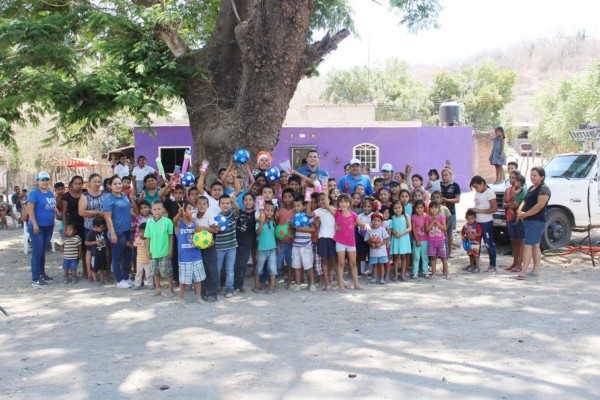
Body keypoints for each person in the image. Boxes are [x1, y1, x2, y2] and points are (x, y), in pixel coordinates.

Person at [322, 188, 370, 291]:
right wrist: (326, 194)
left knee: (353, 263)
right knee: (341, 263)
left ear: (349, 203)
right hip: (340, 242)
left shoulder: (353, 214)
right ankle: (341, 285)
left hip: (351, 242)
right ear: (338, 203)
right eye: (341, 202)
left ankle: (356, 284)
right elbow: (326, 205)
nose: (343, 204)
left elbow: (360, 224)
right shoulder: (337, 213)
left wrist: (365, 225)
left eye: (346, 202)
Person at [516, 167, 551, 280]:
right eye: (531, 175)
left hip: (536, 221)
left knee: (528, 245)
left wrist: (525, 214)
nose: (532, 177)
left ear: (542, 177)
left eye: (535, 175)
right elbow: (525, 201)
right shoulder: (531, 187)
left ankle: (523, 270)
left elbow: (539, 206)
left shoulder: (544, 189)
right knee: (535, 245)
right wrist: (519, 211)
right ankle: (536, 269)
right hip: (528, 220)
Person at [103, 175, 137, 288]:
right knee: (117, 256)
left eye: (119, 183)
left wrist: (137, 216)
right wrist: (112, 233)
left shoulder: (124, 196)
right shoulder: (109, 200)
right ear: (110, 186)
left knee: (129, 255)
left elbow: (128, 210)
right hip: (117, 232)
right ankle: (119, 280)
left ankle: (126, 277)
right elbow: (108, 218)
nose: (118, 186)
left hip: (127, 231)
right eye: (115, 184)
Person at [27, 171, 57, 286]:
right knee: (37, 252)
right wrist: (34, 224)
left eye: (46, 180)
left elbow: (51, 209)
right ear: (38, 181)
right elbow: (30, 209)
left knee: (43, 252)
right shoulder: (34, 193)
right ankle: (35, 277)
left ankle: (42, 273)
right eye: (42, 180)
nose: (45, 182)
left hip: (48, 226)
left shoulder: (50, 193)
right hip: (38, 227)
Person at [173, 202, 206, 303]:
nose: (193, 211)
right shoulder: (179, 224)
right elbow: (174, 221)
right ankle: (182, 298)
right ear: (184, 211)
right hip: (184, 258)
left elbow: (201, 237)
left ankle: (198, 297)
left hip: (196, 256)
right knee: (183, 281)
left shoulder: (195, 223)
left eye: (193, 209)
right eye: (190, 209)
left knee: (198, 279)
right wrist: (180, 213)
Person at [79, 173, 109, 282]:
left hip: (102, 228)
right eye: (94, 181)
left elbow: (109, 209)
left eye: (98, 181)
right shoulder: (85, 196)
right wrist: (98, 213)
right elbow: (81, 212)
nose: (97, 184)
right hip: (90, 228)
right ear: (89, 183)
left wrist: (101, 214)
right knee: (90, 251)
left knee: (102, 249)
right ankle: (90, 273)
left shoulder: (106, 194)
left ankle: (104, 273)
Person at [469, 175, 498, 272]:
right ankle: (475, 265)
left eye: (477, 187)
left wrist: (480, 211)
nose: (476, 189)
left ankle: (492, 264)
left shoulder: (489, 193)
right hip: (477, 222)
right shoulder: (477, 193)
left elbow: (494, 208)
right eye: (474, 188)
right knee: (475, 244)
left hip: (486, 222)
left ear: (482, 184)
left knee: (488, 243)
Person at [145, 200, 174, 296]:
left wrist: (170, 250)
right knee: (155, 272)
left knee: (167, 271)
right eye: (154, 209)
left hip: (165, 251)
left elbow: (171, 236)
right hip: (154, 252)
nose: (157, 211)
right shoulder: (149, 222)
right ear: (151, 210)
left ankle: (171, 289)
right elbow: (147, 238)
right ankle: (158, 289)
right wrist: (148, 251)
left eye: (159, 209)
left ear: (163, 210)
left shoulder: (168, 221)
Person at [309, 192, 337, 291]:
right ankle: (327, 283)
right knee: (324, 261)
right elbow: (309, 214)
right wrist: (308, 201)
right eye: (320, 200)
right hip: (323, 238)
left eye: (324, 199)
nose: (322, 201)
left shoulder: (335, 210)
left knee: (334, 261)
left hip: (333, 239)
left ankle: (340, 281)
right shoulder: (319, 211)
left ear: (329, 200)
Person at [194, 195, 219, 302]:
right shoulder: (193, 215)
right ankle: (201, 292)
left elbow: (214, 229)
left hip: (209, 246)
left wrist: (204, 228)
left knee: (211, 269)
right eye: (199, 203)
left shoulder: (209, 214)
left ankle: (212, 292)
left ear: (208, 205)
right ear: (196, 205)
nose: (202, 206)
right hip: (196, 247)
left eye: (204, 204)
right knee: (199, 269)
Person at [214, 194, 239, 298]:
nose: (225, 205)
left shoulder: (233, 215)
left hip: (232, 247)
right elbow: (213, 231)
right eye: (223, 203)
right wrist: (215, 229)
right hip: (219, 247)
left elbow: (237, 210)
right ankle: (217, 287)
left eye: (227, 203)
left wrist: (234, 202)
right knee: (218, 268)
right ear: (219, 205)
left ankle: (229, 288)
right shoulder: (216, 218)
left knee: (230, 269)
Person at [290, 196, 316, 291]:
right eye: (295, 206)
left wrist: (304, 230)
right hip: (296, 244)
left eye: (298, 206)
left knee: (308, 265)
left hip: (306, 244)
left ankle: (312, 284)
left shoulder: (309, 216)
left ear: (305, 206)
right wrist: (291, 225)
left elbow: (313, 229)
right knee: (296, 265)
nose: (296, 208)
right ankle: (298, 284)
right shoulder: (295, 216)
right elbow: (293, 229)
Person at [61, 176, 85, 275]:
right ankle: (72, 269)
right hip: (72, 225)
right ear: (72, 184)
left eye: (80, 183)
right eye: (76, 183)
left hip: (84, 223)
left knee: (83, 246)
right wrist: (65, 227)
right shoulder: (66, 196)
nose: (78, 185)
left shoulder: (85, 193)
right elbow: (64, 213)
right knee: (73, 247)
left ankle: (85, 269)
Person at [233, 192, 256, 293]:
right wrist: (233, 200)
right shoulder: (239, 212)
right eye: (245, 200)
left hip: (247, 244)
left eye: (250, 200)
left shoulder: (256, 214)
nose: (248, 202)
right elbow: (236, 208)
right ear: (242, 202)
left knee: (242, 265)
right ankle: (233, 285)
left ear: (254, 202)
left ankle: (240, 284)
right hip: (235, 242)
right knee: (234, 265)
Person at [504, 172, 526, 272]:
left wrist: (510, 205)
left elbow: (519, 204)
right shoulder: (508, 189)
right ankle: (514, 262)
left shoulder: (522, 189)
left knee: (521, 241)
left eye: (514, 178)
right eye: (510, 177)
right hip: (509, 217)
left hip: (519, 217)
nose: (511, 179)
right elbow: (505, 203)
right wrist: (510, 205)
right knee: (513, 241)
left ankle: (520, 264)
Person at [254, 201, 278, 293]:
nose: (270, 212)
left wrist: (277, 244)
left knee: (272, 268)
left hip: (272, 249)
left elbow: (274, 234)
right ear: (262, 211)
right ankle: (257, 285)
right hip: (262, 249)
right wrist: (261, 223)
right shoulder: (259, 222)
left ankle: (272, 286)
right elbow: (258, 233)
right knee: (259, 268)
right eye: (267, 210)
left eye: (272, 210)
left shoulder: (273, 222)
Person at [440, 167, 461, 258]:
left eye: (446, 175)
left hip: (451, 212)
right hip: (440, 213)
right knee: (441, 233)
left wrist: (446, 200)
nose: (444, 177)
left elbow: (457, 200)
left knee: (449, 233)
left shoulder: (455, 185)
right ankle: (442, 251)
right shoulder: (439, 185)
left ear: (450, 175)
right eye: (443, 175)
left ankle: (449, 252)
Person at [425, 200, 449, 279]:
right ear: (429, 209)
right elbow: (427, 229)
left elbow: (444, 228)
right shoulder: (427, 218)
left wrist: (437, 223)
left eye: (436, 208)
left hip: (441, 241)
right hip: (432, 241)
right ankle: (434, 272)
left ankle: (446, 271)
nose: (433, 209)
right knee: (433, 257)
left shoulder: (442, 217)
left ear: (439, 209)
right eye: (431, 208)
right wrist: (433, 222)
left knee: (443, 257)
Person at [389, 200, 411, 282]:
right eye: (395, 208)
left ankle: (402, 274)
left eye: (399, 207)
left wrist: (401, 234)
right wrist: (394, 232)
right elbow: (390, 228)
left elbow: (409, 228)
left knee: (404, 257)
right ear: (392, 209)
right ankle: (395, 275)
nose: (397, 210)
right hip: (395, 239)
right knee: (395, 258)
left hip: (404, 238)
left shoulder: (406, 216)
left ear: (402, 208)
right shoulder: (392, 217)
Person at [365, 212, 389, 284]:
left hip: (382, 252)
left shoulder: (382, 229)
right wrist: (370, 243)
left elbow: (387, 238)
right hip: (373, 252)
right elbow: (367, 239)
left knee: (381, 265)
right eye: (374, 220)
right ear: (371, 221)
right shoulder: (369, 229)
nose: (376, 222)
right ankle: (374, 278)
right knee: (375, 266)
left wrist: (381, 243)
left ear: (381, 222)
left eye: (378, 220)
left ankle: (382, 278)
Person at [85, 216, 109, 284]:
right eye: (101, 227)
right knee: (94, 268)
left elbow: (105, 242)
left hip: (102, 253)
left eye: (103, 227)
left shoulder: (103, 232)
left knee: (102, 267)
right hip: (94, 254)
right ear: (95, 226)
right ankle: (95, 280)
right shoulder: (91, 233)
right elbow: (86, 242)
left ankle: (102, 279)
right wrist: (95, 242)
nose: (102, 229)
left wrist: (106, 250)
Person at [411, 199, 429, 280]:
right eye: (417, 208)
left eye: (421, 207)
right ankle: (415, 272)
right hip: (417, 240)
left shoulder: (426, 216)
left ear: (424, 208)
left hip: (425, 240)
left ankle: (425, 272)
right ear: (415, 208)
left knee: (424, 256)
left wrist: (424, 228)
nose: (419, 209)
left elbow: (427, 228)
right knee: (416, 257)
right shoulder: (414, 217)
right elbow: (413, 229)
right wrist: (417, 239)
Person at [133, 222, 153, 290]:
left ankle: (150, 284)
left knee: (149, 273)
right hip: (139, 260)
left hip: (148, 260)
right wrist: (130, 245)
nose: (142, 233)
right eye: (141, 232)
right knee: (138, 273)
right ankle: (137, 284)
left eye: (144, 232)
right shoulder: (138, 239)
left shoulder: (150, 239)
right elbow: (134, 246)